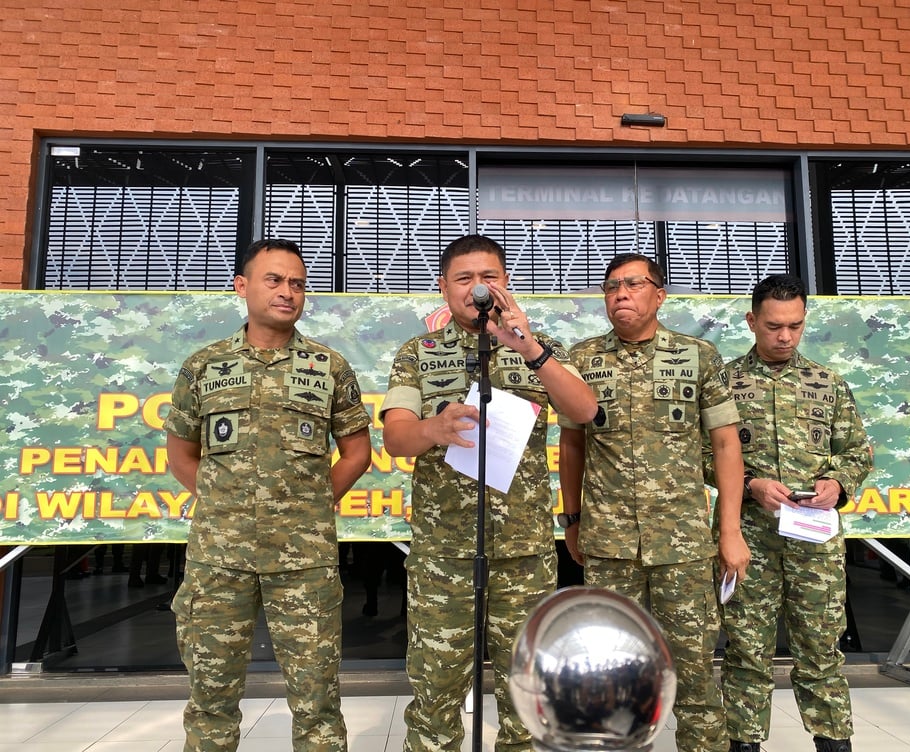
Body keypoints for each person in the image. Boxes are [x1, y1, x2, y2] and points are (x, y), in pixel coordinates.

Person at [380, 234, 599, 752]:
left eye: (490, 277)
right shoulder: (418, 353)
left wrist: (529, 348)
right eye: (464, 279)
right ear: (444, 288)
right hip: (444, 555)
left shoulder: (537, 346)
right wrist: (432, 430)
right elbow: (395, 437)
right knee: (435, 693)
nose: (478, 288)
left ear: (505, 284)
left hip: (522, 554)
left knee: (527, 697)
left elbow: (586, 411)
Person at [164, 238, 372, 752]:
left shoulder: (328, 367)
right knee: (211, 697)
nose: (287, 292)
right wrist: (223, 505)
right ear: (242, 286)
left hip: (304, 562)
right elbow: (181, 455)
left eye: (297, 283)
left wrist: (309, 508)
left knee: (317, 700)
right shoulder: (203, 367)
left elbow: (357, 453)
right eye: (274, 280)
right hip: (219, 559)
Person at [558, 252, 750, 752]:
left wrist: (728, 530)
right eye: (611, 287)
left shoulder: (699, 357)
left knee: (693, 670)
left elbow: (727, 445)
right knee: (610, 674)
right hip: (609, 543)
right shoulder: (582, 360)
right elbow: (573, 444)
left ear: (659, 294)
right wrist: (572, 518)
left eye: (634, 284)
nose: (620, 294)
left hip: (683, 545)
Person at [709, 274, 872, 752]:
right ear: (751, 321)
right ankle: (744, 743)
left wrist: (838, 482)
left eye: (795, 326)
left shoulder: (829, 383)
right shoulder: (723, 384)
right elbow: (702, 452)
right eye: (774, 326)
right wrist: (752, 484)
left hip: (815, 541)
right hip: (749, 539)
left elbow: (858, 452)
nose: (784, 337)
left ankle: (833, 742)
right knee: (746, 651)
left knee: (821, 650)